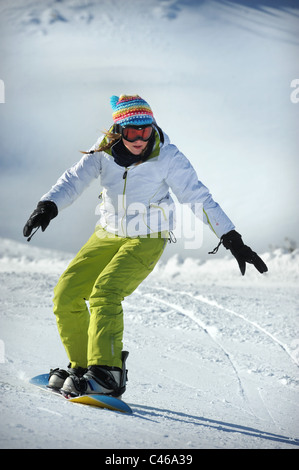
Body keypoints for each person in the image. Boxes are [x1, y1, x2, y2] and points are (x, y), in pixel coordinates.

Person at [23, 94, 268, 398]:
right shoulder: (103, 150)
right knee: (67, 293)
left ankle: (108, 374)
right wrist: (48, 205)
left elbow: (198, 198)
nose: (139, 139)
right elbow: (74, 179)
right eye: (131, 132)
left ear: (152, 127)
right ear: (119, 131)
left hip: (148, 236)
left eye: (145, 130)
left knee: (106, 291)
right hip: (108, 232)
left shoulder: (167, 156)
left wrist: (231, 237)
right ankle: (84, 367)